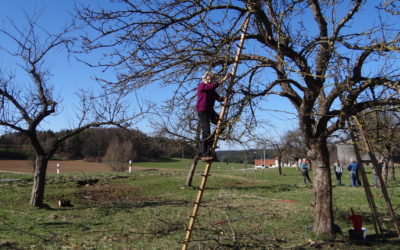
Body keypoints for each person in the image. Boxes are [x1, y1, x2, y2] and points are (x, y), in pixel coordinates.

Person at [196, 71, 231, 161]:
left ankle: (211, 140)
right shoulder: (202, 85)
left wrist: (225, 97)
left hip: (210, 111)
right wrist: (224, 79)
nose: (210, 80)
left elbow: (219, 98)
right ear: (204, 79)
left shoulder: (211, 90)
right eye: (208, 78)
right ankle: (204, 154)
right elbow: (213, 86)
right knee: (206, 131)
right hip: (202, 111)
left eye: (211, 79)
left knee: (223, 124)